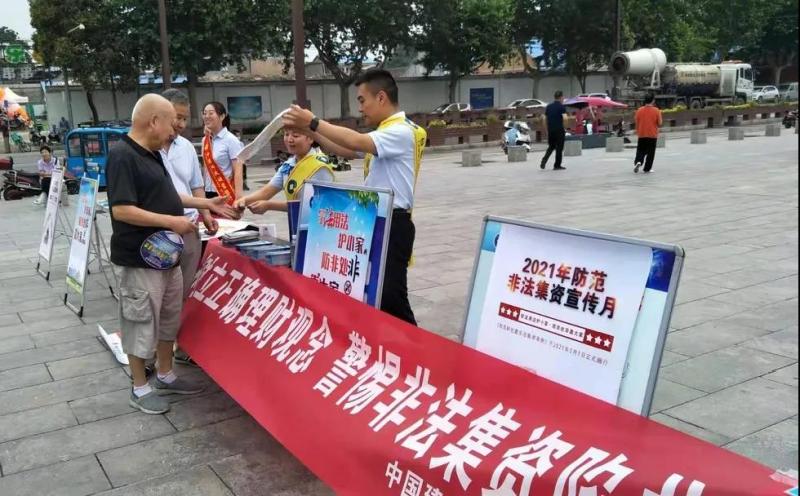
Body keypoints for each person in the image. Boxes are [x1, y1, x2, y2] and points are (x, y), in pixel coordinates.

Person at [106, 94, 232, 415]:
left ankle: (165, 374)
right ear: (153, 121)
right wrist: (171, 222)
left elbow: (169, 195)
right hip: (140, 259)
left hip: (167, 256)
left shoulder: (152, 154)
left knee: (168, 317)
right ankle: (139, 387)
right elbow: (122, 210)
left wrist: (205, 204)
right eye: (170, 122)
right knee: (139, 321)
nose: (174, 129)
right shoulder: (122, 155)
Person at [283, 68, 427, 325]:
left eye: (362, 100)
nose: (360, 108)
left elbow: (357, 141)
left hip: (394, 223)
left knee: (392, 297)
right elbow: (346, 149)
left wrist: (313, 122)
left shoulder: (400, 131)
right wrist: (312, 133)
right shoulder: (385, 132)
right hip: (377, 220)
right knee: (378, 295)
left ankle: (415, 346)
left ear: (381, 97)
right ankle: (389, 343)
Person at [235, 129, 333, 214]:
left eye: (295, 136)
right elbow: (266, 192)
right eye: (286, 134)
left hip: (316, 225)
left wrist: (270, 205)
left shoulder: (319, 167)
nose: (289, 140)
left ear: (310, 138)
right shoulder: (288, 165)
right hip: (295, 223)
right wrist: (243, 201)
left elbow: (316, 205)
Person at [201, 102, 244, 201]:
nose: (207, 116)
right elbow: (206, 168)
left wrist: (239, 198)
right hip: (208, 192)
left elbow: (238, 171)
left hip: (224, 193)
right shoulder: (205, 140)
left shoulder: (231, 140)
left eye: (211, 113)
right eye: (204, 113)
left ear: (222, 116)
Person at [633, 93, 662, 173]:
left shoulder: (639, 110)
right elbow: (660, 123)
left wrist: (637, 131)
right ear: (653, 100)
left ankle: (639, 161)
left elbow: (637, 122)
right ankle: (647, 168)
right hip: (652, 134)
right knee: (650, 152)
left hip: (642, 134)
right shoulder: (656, 110)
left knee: (640, 150)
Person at [540, 90, 568, 171]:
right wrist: (565, 127)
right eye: (563, 97)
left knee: (551, 146)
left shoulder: (549, 106)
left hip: (551, 130)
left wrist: (546, 130)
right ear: (561, 97)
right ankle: (557, 165)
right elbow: (565, 118)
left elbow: (544, 119)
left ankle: (544, 160)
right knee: (559, 148)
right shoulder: (562, 107)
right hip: (559, 130)